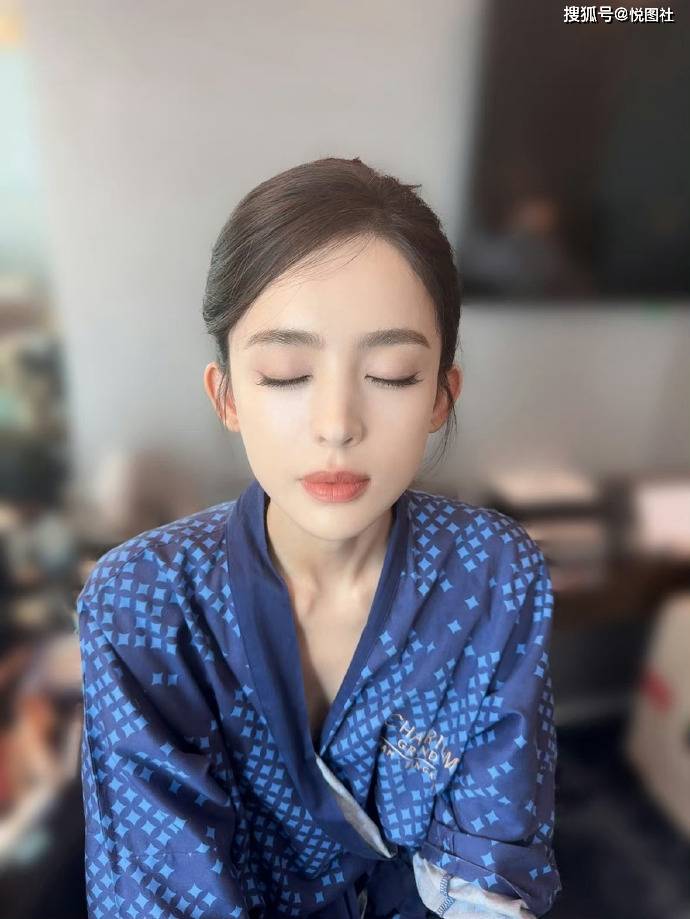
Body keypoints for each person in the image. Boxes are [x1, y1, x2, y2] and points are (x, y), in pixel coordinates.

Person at [76, 156, 562, 918]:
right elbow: (159, 890)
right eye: (285, 372)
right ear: (227, 396)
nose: (337, 424)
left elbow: (492, 864)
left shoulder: (493, 573)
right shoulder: (143, 601)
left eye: (392, 374)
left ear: (441, 396)